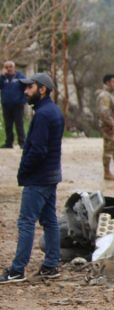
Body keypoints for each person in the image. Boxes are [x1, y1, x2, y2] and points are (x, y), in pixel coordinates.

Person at [0, 73, 64, 283]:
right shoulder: (53, 111)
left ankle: (17, 270)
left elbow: (37, 150)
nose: (26, 92)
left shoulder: (43, 114)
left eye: (30, 88)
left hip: (38, 178)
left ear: (42, 89)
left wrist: (24, 171)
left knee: (26, 222)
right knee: (49, 221)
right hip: (50, 176)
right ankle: (51, 265)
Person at [1, 60, 27, 149]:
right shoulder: (3, 78)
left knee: (19, 124)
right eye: (6, 67)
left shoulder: (20, 77)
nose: (8, 69)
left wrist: (23, 101)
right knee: (8, 125)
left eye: (10, 66)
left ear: (14, 67)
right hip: (6, 105)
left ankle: (22, 143)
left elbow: (26, 89)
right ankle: (9, 143)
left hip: (18, 105)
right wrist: (2, 76)